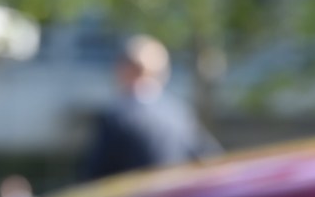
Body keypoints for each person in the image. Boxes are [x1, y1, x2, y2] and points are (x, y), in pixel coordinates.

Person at [80, 34, 222, 180]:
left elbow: (96, 178)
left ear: (124, 69)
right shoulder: (179, 113)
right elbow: (210, 158)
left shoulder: (117, 117)